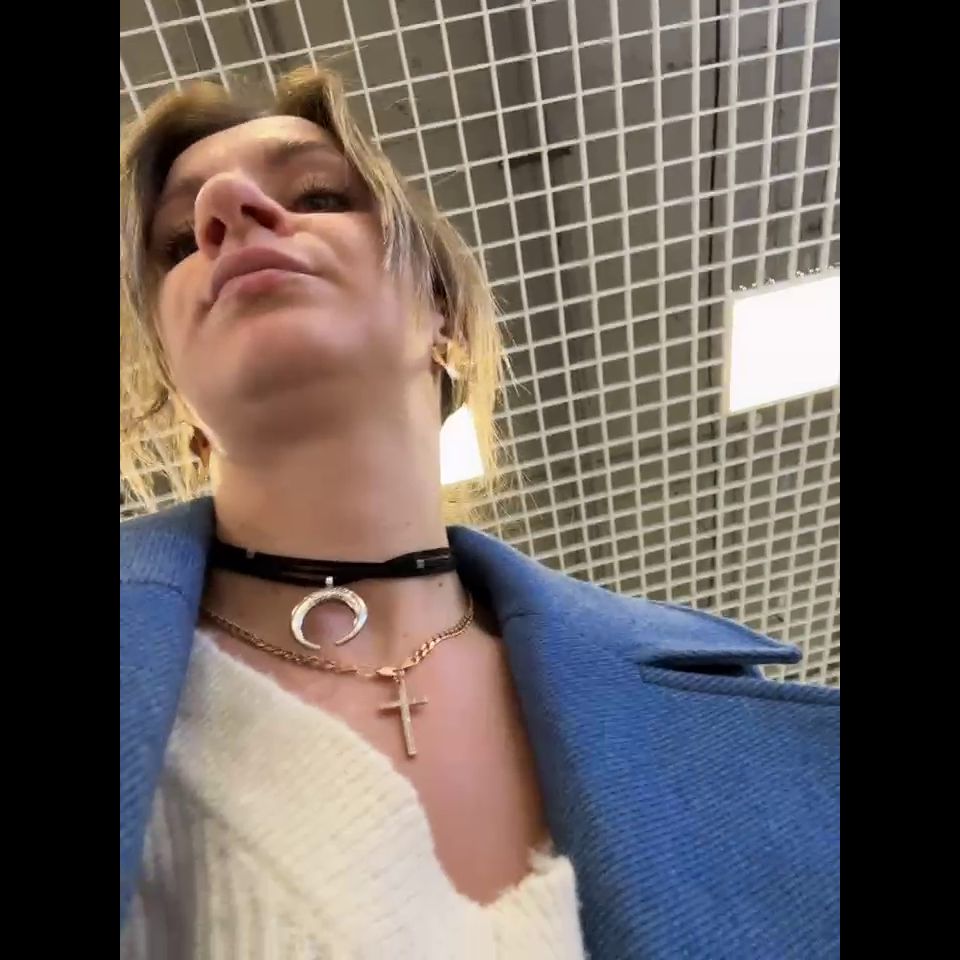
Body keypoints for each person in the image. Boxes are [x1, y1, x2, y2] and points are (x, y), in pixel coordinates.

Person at [119, 66, 839, 959]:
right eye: (179, 243)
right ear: (177, 392)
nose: (225, 209)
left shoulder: (756, 743)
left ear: (445, 317)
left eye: (318, 195)